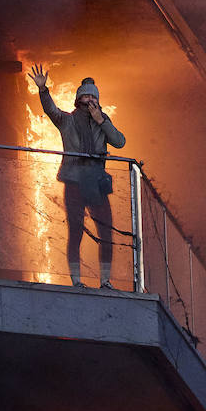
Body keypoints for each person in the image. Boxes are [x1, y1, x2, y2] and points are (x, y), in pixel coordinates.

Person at [28, 66, 126, 289]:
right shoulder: (68, 121)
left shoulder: (103, 121)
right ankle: (76, 280)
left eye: (93, 96)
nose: (89, 99)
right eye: (86, 95)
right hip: (74, 181)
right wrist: (43, 90)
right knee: (76, 230)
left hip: (97, 182)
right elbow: (51, 110)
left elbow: (119, 142)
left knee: (106, 232)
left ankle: (105, 281)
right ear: (78, 98)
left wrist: (101, 120)